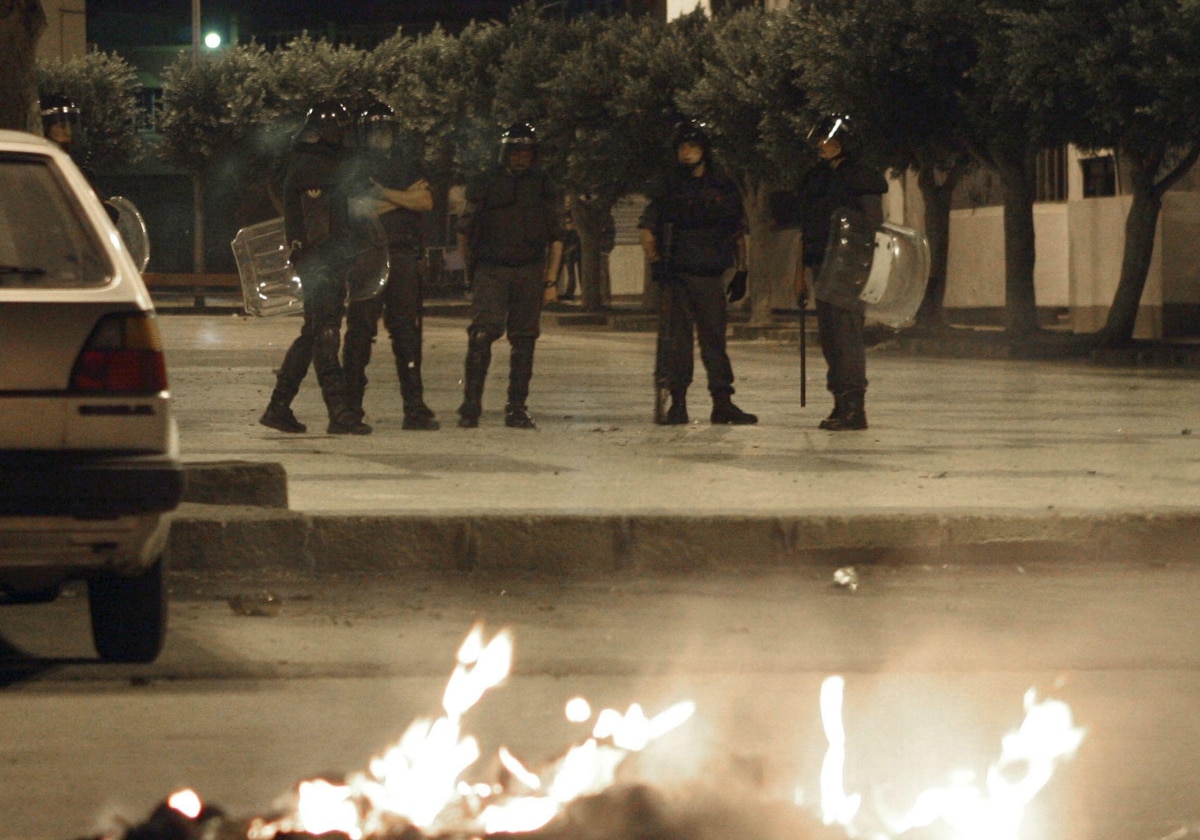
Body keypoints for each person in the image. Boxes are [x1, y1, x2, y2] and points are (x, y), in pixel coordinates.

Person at [259, 100, 371, 436]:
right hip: (320, 261)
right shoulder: (312, 167)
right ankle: (340, 413)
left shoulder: (321, 164)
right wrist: (329, 261)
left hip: (326, 260)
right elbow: (316, 223)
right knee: (325, 332)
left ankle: (278, 407)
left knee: (312, 334)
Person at [638, 121, 756, 426]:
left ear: (704, 150)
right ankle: (677, 402)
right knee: (676, 342)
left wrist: (741, 270)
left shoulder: (722, 186)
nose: (686, 153)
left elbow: (737, 232)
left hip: (709, 275)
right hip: (677, 275)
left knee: (714, 341)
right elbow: (647, 229)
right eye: (682, 147)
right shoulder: (668, 187)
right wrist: (656, 261)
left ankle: (722, 402)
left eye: (692, 146)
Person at [455, 122, 563, 430]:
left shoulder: (544, 185)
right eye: (516, 151)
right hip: (492, 268)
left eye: (527, 152)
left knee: (524, 340)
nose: (522, 157)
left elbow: (556, 235)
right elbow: (465, 230)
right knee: (481, 334)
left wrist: (551, 281)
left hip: (529, 269)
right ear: (505, 153)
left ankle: (516, 406)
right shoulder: (485, 183)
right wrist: (469, 274)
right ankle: (471, 405)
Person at [341, 101, 439, 431]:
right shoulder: (353, 165)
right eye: (376, 129)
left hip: (402, 254)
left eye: (386, 129)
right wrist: (402, 199)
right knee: (360, 332)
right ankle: (350, 407)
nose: (381, 135)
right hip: (366, 254)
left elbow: (425, 202)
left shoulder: (407, 163)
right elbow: (356, 209)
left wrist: (383, 194)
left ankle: (415, 406)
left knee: (406, 332)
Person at [789, 114, 888, 431]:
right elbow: (808, 228)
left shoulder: (862, 178)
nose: (823, 145)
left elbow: (872, 227)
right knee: (830, 338)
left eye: (830, 139)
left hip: (848, 266)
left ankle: (854, 406)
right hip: (820, 264)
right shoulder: (814, 178)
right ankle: (839, 403)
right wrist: (800, 272)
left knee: (847, 336)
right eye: (820, 139)